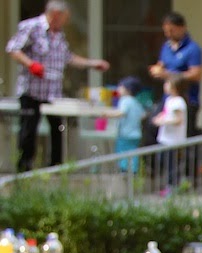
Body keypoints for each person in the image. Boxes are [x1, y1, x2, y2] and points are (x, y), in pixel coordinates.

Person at [7, 0, 110, 172]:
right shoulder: (32, 27)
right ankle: (23, 172)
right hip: (31, 92)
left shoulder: (59, 34)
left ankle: (55, 168)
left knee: (58, 129)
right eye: (65, 18)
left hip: (52, 94)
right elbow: (13, 48)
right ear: (56, 14)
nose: (66, 22)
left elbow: (67, 57)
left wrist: (92, 64)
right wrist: (31, 64)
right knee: (28, 132)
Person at [149, 11, 202, 137]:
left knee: (184, 134)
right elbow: (161, 65)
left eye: (171, 30)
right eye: (166, 31)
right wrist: (156, 70)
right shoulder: (166, 47)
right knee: (153, 127)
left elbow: (197, 74)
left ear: (182, 28)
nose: (168, 34)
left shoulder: (193, 49)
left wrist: (167, 74)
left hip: (186, 99)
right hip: (168, 98)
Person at [151, 75, 189, 193]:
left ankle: (173, 187)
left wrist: (164, 121)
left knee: (172, 165)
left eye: (167, 83)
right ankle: (169, 186)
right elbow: (165, 113)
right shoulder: (168, 100)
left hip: (174, 140)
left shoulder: (179, 102)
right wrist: (158, 118)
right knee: (164, 162)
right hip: (165, 138)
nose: (165, 86)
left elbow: (179, 120)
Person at [113, 76, 146, 173]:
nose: (118, 89)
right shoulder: (136, 102)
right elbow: (143, 115)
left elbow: (122, 112)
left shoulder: (125, 100)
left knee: (122, 152)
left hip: (125, 133)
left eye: (120, 87)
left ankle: (124, 171)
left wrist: (107, 114)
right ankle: (134, 171)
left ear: (127, 89)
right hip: (136, 133)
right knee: (133, 153)